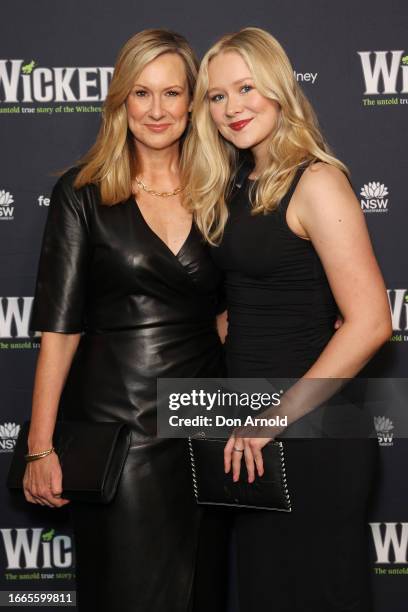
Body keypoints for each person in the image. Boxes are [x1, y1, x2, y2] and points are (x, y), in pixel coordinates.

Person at [183, 27, 392, 612]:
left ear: (279, 89)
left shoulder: (317, 180)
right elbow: (252, 299)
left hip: (309, 431)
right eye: (217, 97)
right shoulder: (238, 184)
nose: (232, 108)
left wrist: (274, 417)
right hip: (249, 430)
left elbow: (372, 321)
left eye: (246, 87)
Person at [24, 29, 226, 612]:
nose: (157, 110)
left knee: (201, 589)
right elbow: (60, 332)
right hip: (122, 434)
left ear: (193, 101)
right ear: (120, 102)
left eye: (172, 94)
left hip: (205, 427)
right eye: (141, 94)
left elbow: (241, 300)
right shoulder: (83, 193)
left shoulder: (221, 191)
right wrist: (41, 447)